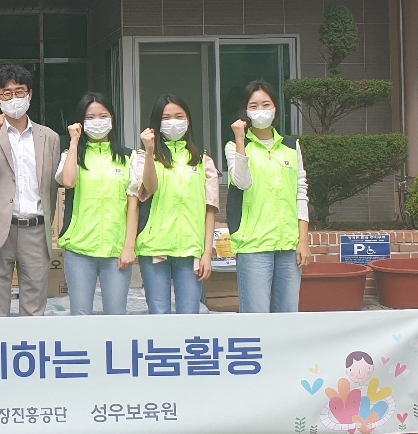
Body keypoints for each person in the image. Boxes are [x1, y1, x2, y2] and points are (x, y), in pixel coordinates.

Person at [0, 64, 61, 317]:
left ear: (30, 94)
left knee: (34, 308)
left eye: (19, 91)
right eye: (6, 93)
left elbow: (52, 187)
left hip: (36, 229)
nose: (14, 98)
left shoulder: (49, 137)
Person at [225, 79, 311, 313]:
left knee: (287, 315)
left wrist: (303, 241)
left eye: (266, 105)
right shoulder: (234, 147)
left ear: (275, 109)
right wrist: (240, 139)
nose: (261, 111)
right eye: (253, 106)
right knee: (256, 318)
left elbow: (300, 193)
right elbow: (242, 182)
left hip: (288, 245)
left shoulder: (291, 147)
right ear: (245, 112)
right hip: (253, 245)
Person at [130, 94, 218, 314]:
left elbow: (210, 209)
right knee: (159, 315)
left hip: (190, 248)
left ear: (188, 120)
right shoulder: (142, 157)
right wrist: (150, 151)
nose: (173, 122)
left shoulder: (202, 160)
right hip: (154, 246)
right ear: (156, 123)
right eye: (166, 117)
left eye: (179, 116)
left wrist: (207, 253)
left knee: (189, 315)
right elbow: (150, 188)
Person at [56, 92, 136, 316]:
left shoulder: (129, 157)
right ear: (80, 122)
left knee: (116, 316)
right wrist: (74, 142)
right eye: (90, 117)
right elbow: (68, 181)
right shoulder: (71, 155)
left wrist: (129, 246)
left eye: (103, 116)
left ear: (112, 119)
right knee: (80, 316)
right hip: (79, 249)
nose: (97, 121)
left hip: (116, 250)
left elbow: (133, 205)